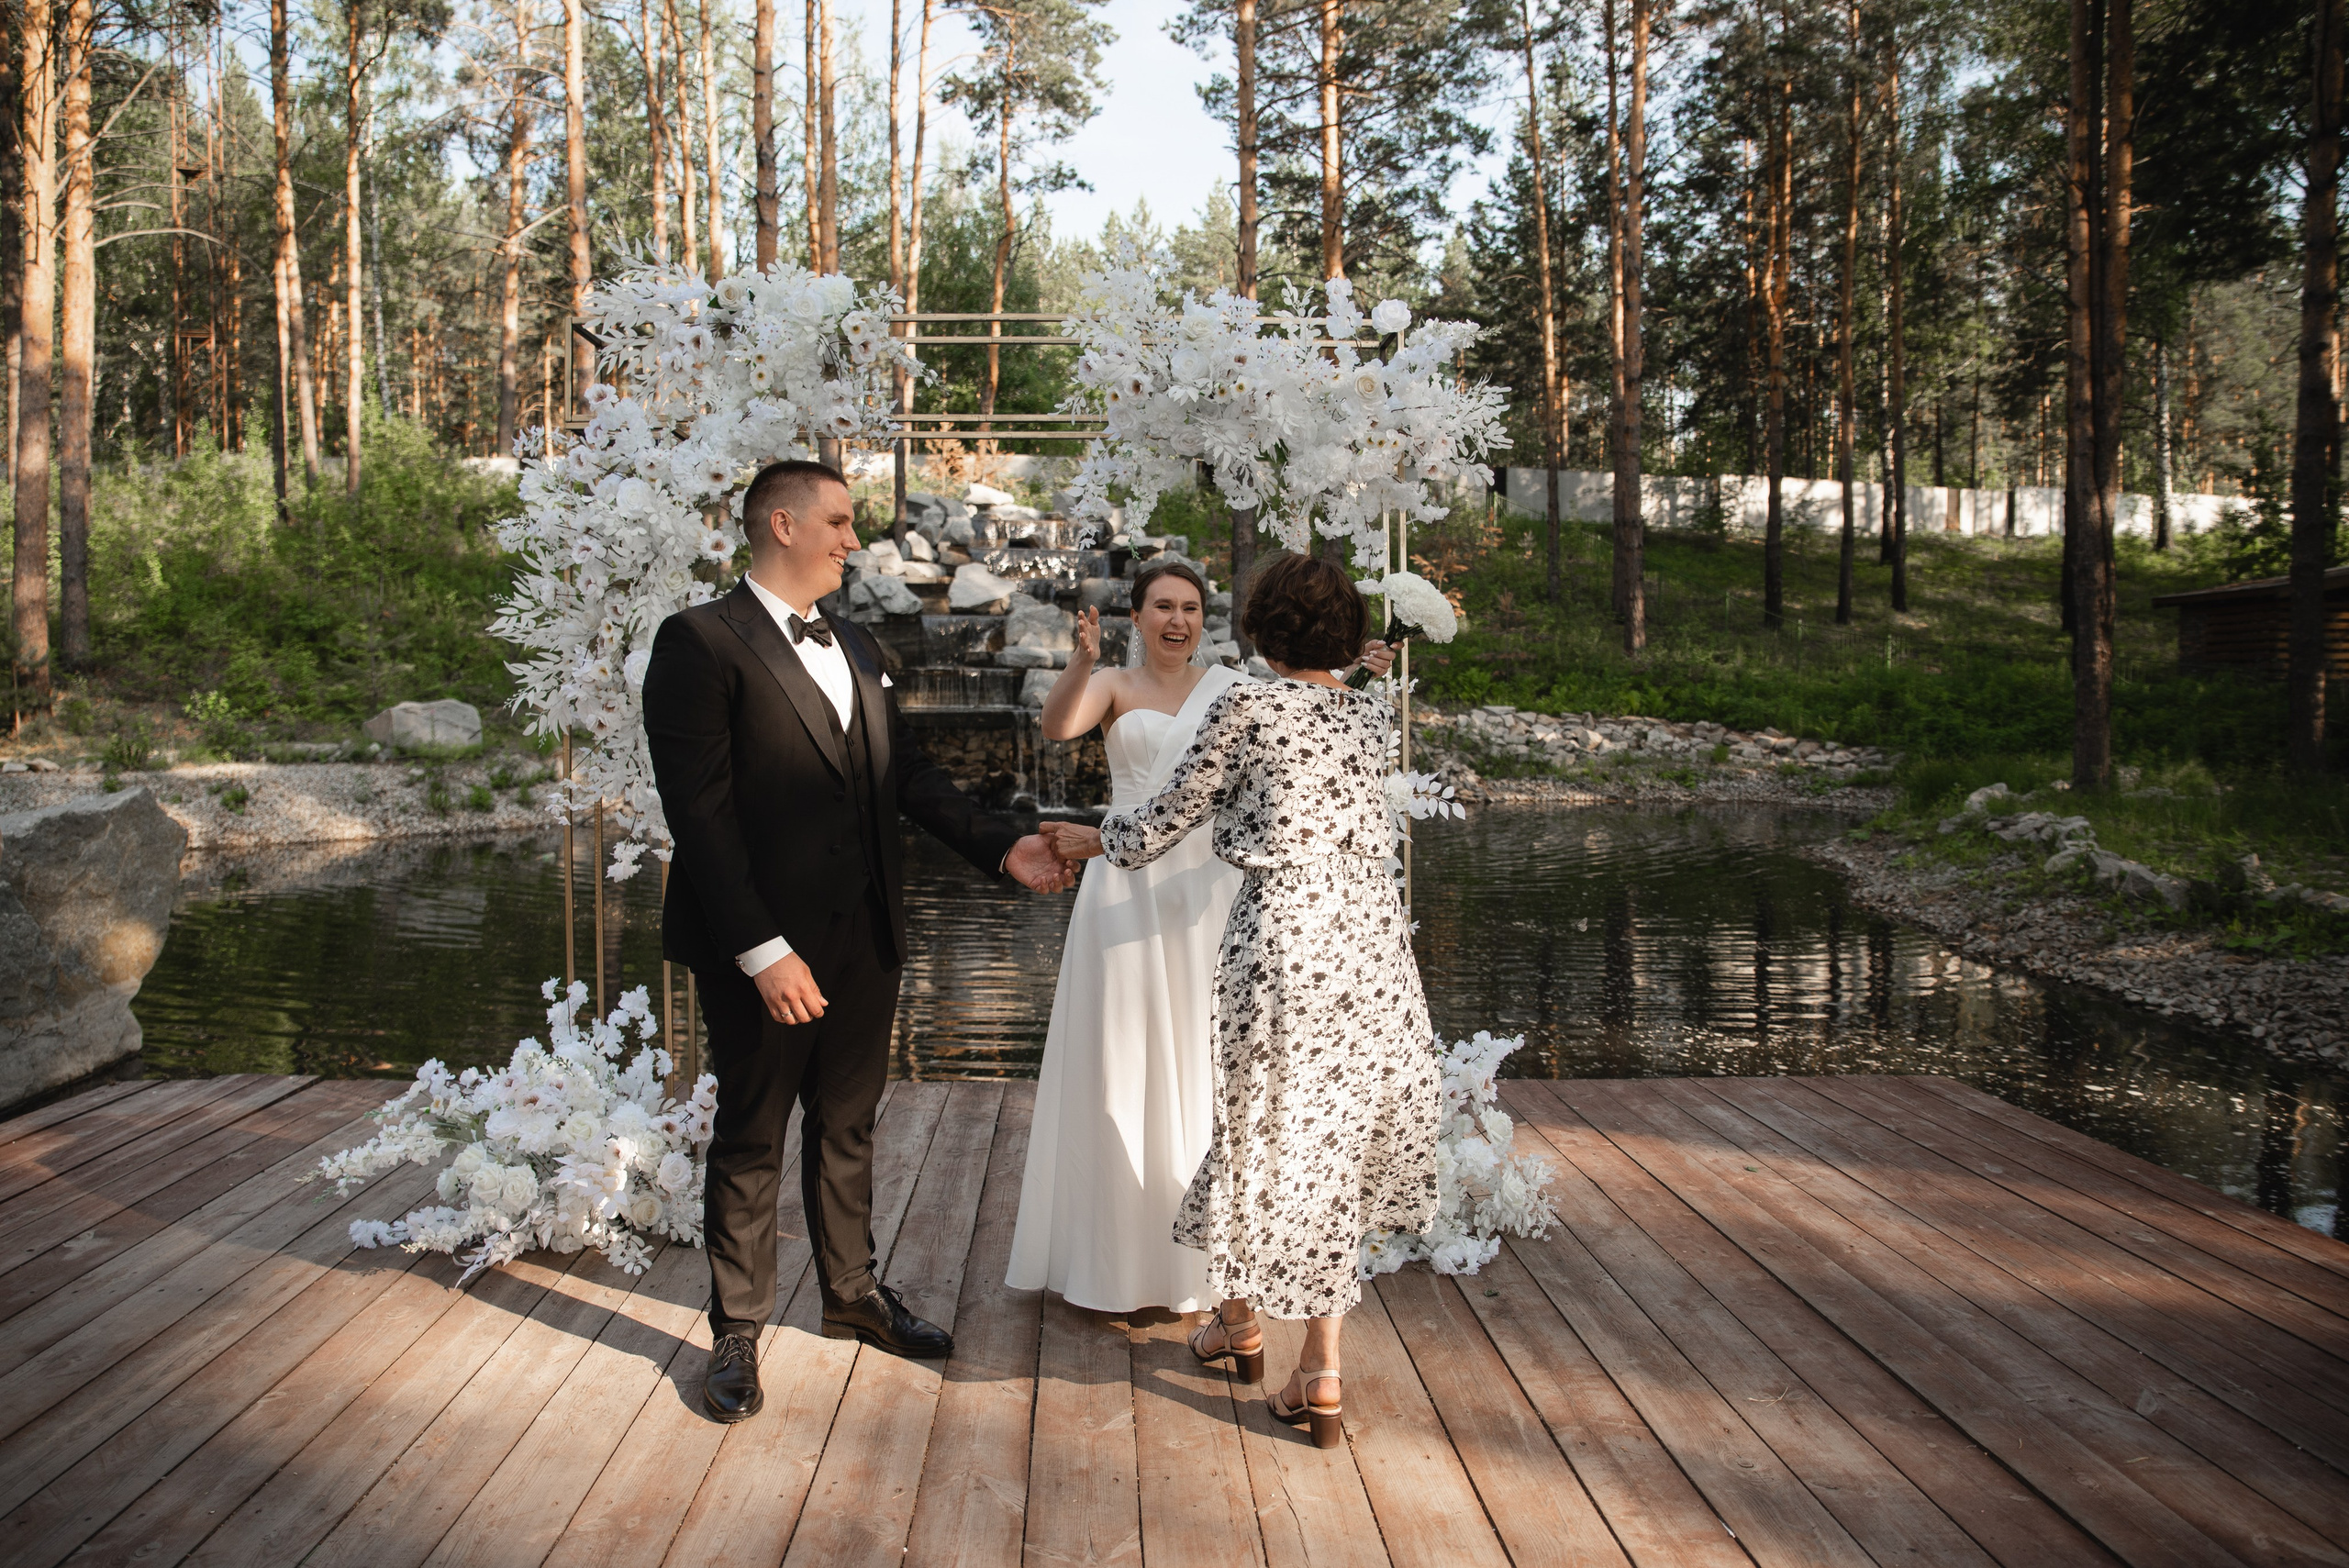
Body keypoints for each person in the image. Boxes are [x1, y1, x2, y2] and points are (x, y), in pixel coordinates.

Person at [640, 458, 1075, 1425]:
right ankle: (738, 1330)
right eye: (838, 522)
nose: (852, 540)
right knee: (752, 1133)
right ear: (782, 524)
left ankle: (851, 1293)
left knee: (850, 1125)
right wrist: (762, 950)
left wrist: (1003, 851)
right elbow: (700, 817)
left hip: (867, 933)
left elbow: (905, 773)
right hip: (764, 950)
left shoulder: (859, 641)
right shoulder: (697, 642)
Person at [1046, 551, 1440, 1448]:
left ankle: (1242, 1319)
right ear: (1341, 635)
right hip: (1372, 950)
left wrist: (1079, 835)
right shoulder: (1361, 714)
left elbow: (1154, 826)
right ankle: (1321, 1367)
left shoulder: (1243, 702)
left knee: (1247, 1129)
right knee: (1327, 1149)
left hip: (1284, 950)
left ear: (1260, 626)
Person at [1006, 561, 1394, 1314]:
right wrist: (1082, 660)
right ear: (1137, 616)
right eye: (1161, 606)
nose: (1176, 620)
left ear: (1205, 618)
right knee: (1122, 1057)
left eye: (1188, 606)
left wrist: (1357, 669)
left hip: (1211, 883)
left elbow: (1308, 719)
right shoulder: (1116, 684)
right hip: (1123, 880)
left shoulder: (1235, 687)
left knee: (1207, 1060)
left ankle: (1206, 1269)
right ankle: (1117, 1258)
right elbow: (1057, 727)